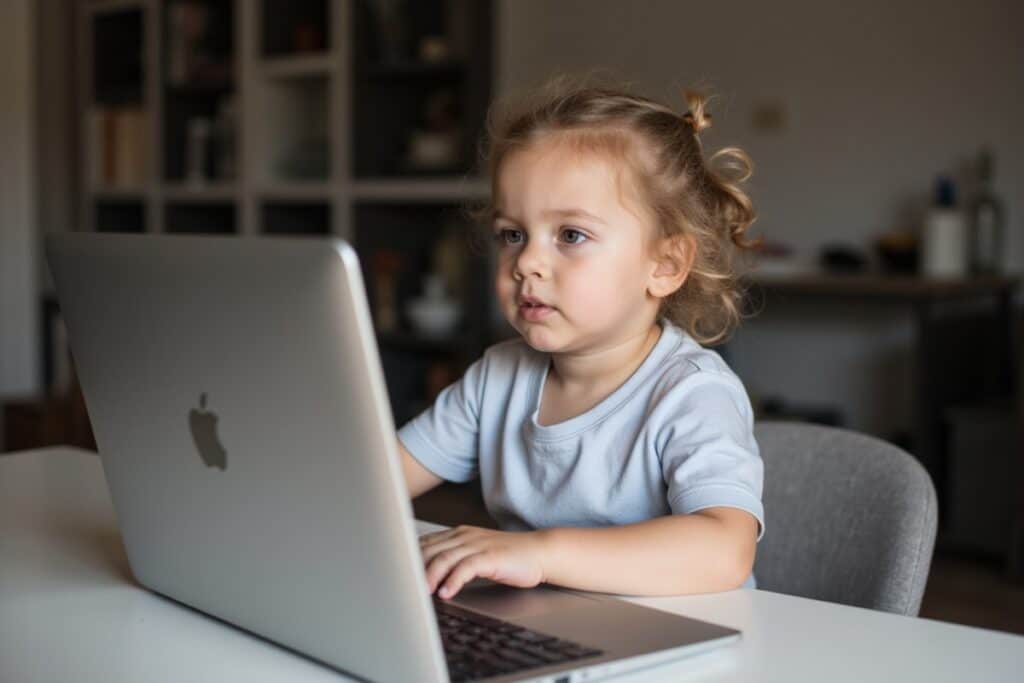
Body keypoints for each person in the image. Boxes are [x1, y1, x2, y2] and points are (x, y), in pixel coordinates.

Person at [397, 74, 764, 601]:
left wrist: (541, 553)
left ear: (664, 264)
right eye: (512, 234)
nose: (526, 262)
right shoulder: (497, 377)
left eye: (571, 235)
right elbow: (378, 478)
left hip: (683, 639)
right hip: (547, 631)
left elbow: (724, 550)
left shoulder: (692, 394)